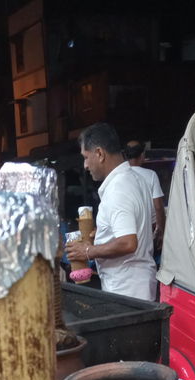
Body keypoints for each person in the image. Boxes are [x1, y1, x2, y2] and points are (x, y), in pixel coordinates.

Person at [66, 122, 156, 301]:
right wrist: (103, 234)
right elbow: (142, 226)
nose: (85, 165)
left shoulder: (118, 188)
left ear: (99, 154)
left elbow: (128, 243)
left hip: (127, 290)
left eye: (86, 157)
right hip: (136, 285)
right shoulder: (136, 179)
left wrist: (88, 251)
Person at [125, 140, 166, 255]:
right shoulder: (151, 175)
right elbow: (158, 207)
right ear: (142, 155)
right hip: (149, 230)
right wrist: (161, 231)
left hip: (128, 230)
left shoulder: (120, 176)